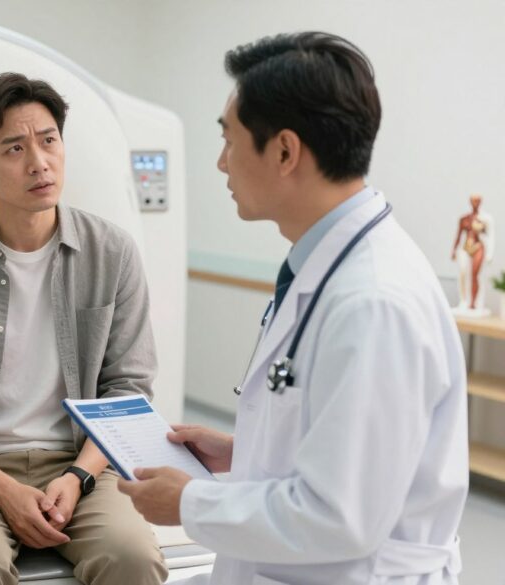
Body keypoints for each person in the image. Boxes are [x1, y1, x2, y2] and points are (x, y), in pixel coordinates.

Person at [118, 32, 468, 585]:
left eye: (229, 140)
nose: (220, 162)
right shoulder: (327, 266)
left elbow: (341, 517)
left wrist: (190, 503)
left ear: (284, 151)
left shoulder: (373, 303)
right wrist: (245, 451)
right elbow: (344, 443)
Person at [0, 72, 167, 585]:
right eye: (14, 148)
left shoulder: (112, 252)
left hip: (83, 460)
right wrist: (3, 490)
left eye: (48, 141)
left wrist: (78, 475)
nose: (39, 162)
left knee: (132, 557)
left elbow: (128, 388)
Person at [451, 193, 495, 313]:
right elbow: (459, 236)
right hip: (466, 246)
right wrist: (454, 250)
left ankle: (474, 303)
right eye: (473, 200)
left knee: (475, 274)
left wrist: (490, 253)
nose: (475, 202)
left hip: (478, 245)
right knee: (463, 273)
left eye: (477, 200)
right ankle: (463, 300)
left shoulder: (485, 219)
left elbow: (491, 236)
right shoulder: (464, 219)